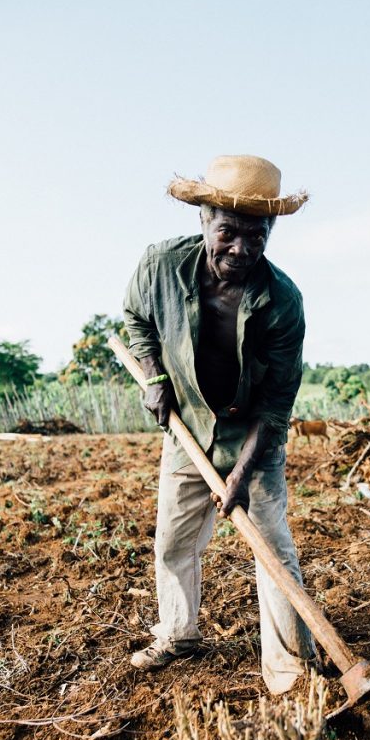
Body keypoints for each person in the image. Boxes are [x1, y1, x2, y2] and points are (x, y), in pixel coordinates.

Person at [123, 155, 315, 694]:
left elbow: (277, 405)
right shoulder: (159, 266)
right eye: (228, 232)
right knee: (174, 539)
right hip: (188, 424)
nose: (241, 249)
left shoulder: (282, 302)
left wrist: (242, 474)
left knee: (272, 548)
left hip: (253, 432)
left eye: (257, 236)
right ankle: (179, 634)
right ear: (204, 221)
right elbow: (135, 318)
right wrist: (154, 375)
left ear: (270, 233)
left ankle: (288, 670)